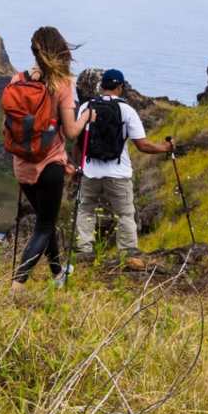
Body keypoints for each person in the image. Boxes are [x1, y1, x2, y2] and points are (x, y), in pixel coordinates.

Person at [9, 26, 92, 292]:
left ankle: (57, 274)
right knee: (44, 226)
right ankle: (17, 284)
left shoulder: (17, 80)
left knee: (47, 219)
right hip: (50, 164)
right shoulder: (62, 84)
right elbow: (70, 131)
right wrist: (86, 117)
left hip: (22, 164)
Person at [73, 69, 174, 268]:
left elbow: (79, 141)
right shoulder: (127, 111)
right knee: (125, 213)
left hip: (90, 171)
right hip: (118, 173)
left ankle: (84, 250)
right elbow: (142, 145)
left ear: (102, 86)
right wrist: (165, 148)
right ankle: (128, 253)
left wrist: (78, 168)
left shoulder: (86, 106)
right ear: (120, 87)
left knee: (85, 210)